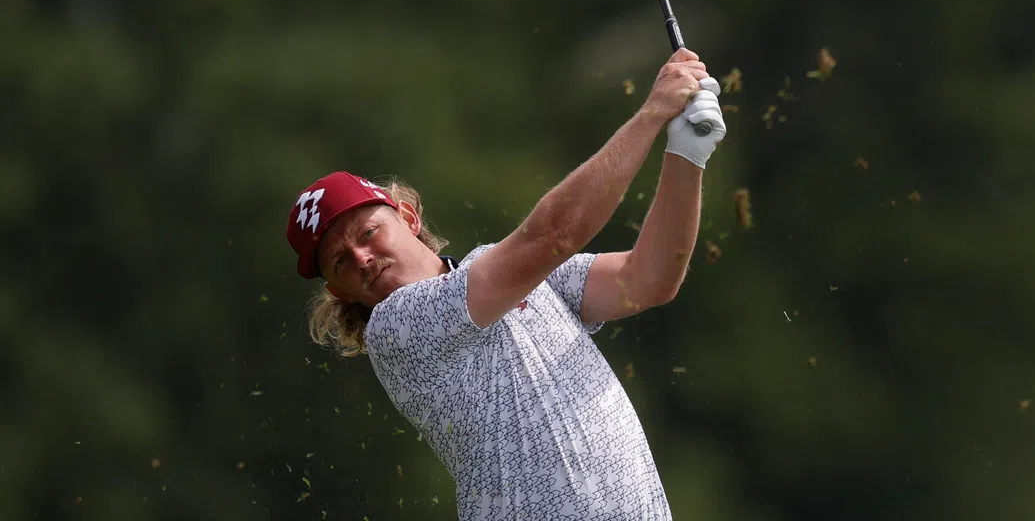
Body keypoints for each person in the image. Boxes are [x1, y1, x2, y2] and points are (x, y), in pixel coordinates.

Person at [285, 48, 727, 520]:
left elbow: (648, 279)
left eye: (368, 233)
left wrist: (686, 154)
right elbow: (554, 236)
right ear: (339, 292)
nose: (362, 258)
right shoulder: (397, 328)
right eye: (340, 262)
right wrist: (653, 112)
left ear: (408, 216)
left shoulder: (511, 276)